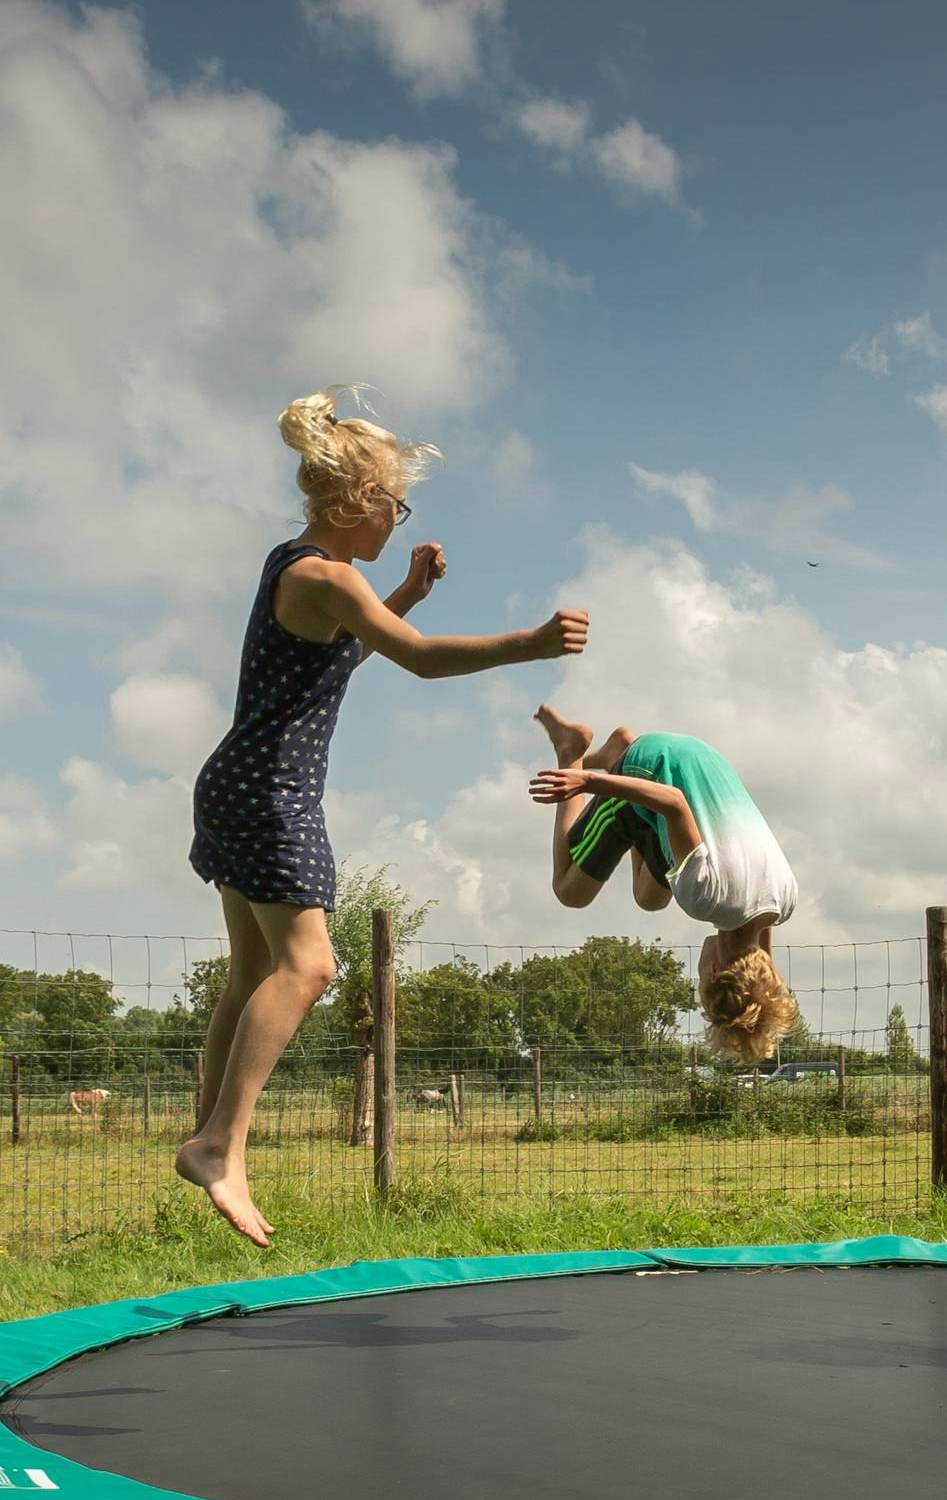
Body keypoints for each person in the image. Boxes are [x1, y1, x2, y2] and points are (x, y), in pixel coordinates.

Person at [176, 391, 588, 1246]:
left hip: (235, 785)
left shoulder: (294, 566)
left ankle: (211, 1136)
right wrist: (532, 643)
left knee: (252, 972)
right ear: (361, 499)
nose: (397, 521)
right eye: (396, 507)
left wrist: (406, 591)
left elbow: (346, 648)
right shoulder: (328, 577)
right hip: (273, 793)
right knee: (309, 966)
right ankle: (220, 1144)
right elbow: (420, 662)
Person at [526, 710, 801, 1064]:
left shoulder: (783, 901)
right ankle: (572, 751)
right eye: (700, 983)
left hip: (706, 761)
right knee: (570, 891)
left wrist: (764, 996)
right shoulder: (704, 899)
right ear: (714, 972)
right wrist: (586, 782)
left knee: (650, 898)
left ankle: (615, 752)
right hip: (652, 768)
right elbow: (673, 803)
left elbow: (763, 955)